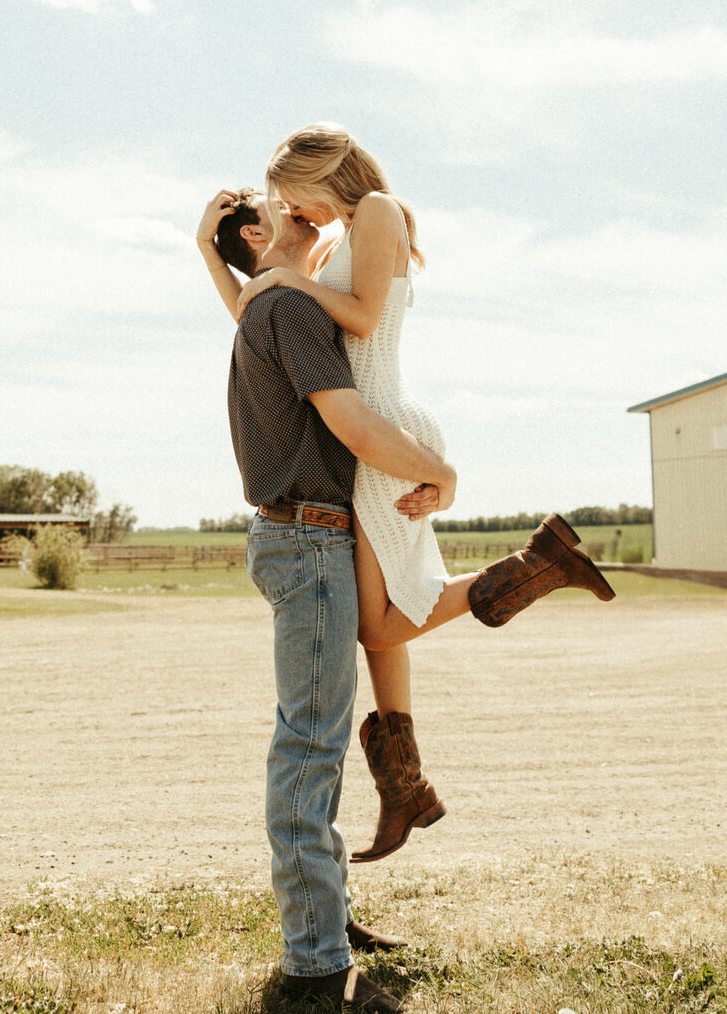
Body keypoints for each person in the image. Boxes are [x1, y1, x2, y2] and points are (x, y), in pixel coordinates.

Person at [235, 123, 616, 865]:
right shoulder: (335, 235)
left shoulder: (377, 209)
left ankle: (541, 564)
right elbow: (263, 322)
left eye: (290, 194)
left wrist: (287, 279)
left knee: (380, 626)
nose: (290, 209)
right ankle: (404, 788)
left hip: (380, 430)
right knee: (387, 616)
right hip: (366, 435)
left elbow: (365, 318)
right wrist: (243, 265)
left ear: (320, 176)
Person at [198, 193, 458, 1011]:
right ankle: (314, 965)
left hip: (308, 537)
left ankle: (329, 917)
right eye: (283, 212)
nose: (302, 211)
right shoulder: (286, 309)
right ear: (258, 237)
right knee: (310, 748)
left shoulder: (268, 306)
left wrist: (208, 251)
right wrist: (442, 476)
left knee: (317, 744)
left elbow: (257, 289)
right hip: (310, 542)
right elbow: (352, 425)